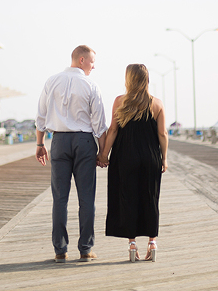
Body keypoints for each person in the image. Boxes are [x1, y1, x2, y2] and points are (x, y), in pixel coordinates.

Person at [35, 45, 108, 263]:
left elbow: (40, 115)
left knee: (60, 198)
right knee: (87, 198)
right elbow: (100, 125)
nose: (94, 66)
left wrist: (40, 143)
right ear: (82, 59)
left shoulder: (51, 81)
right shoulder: (91, 85)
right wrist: (103, 153)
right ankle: (85, 249)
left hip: (59, 140)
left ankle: (60, 250)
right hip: (84, 142)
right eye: (92, 61)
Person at [98, 64, 168, 262]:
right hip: (150, 157)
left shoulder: (120, 101)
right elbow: (162, 134)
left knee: (128, 198)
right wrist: (164, 158)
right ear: (147, 80)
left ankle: (131, 244)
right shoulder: (157, 104)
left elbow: (112, 130)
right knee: (150, 198)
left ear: (128, 79)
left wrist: (104, 154)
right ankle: (152, 242)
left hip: (125, 157)